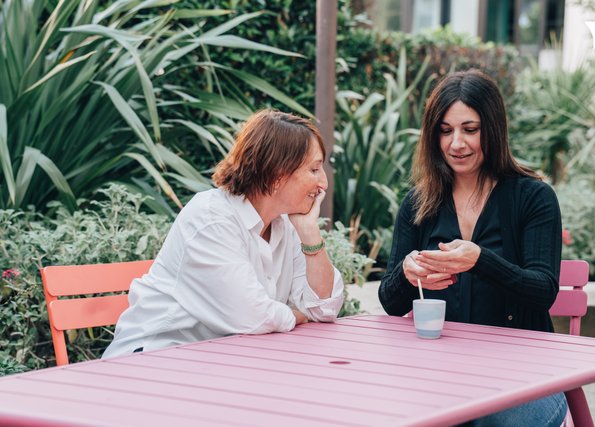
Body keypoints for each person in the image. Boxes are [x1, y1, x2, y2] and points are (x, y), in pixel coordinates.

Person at [378, 69, 567, 426]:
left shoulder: (533, 197)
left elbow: (544, 291)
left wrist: (480, 260)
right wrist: (406, 274)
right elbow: (391, 303)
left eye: (470, 129)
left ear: (492, 129)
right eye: (445, 131)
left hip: (523, 372)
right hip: (440, 372)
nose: (456, 144)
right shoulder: (418, 203)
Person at [103, 110, 344, 358]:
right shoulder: (211, 219)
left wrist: (310, 233)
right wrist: (298, 315)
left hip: (219, 362)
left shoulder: (286, 223)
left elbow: (325, 309)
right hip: (152, 357)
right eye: (314, 170)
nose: (323, 183)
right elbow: (253, 316)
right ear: (277, 175)